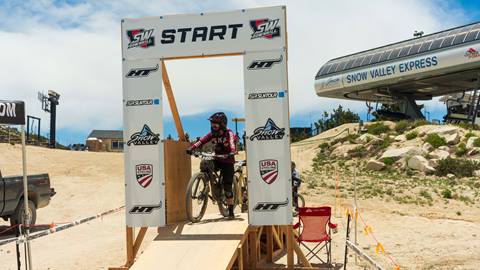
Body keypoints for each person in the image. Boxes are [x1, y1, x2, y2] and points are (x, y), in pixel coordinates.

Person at [187, 112, 237, 219]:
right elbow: (202, 140)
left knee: (227, 187)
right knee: (205, 164)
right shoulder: (212, 134)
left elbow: (232, 143)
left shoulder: (229, 133)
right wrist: (192, 147)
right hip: (217, 159)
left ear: (222, 124)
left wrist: (232, 151)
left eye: (215, 124)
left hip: (227, 160)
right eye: (212, 124)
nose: (212, 126)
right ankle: (207, 180)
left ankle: (231, 210)